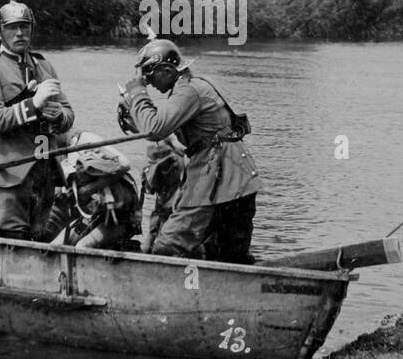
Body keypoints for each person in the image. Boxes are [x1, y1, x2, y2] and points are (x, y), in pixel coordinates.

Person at [118, 38, 258, 263]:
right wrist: (138, 110)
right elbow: (173, 135)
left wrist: (137, 93)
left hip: (218, 179)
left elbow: (154, 129)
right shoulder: (196, 84)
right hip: (238, 179)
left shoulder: (188, 91)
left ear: (166, 70)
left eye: (150, 75)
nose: (149, 82)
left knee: (168, 246)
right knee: (227, 255)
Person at [0, 0, 73, 240]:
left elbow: (69, 114)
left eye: (25, 27)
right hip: (9, 174)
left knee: (40, 240)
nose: (20, 33)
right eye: (12, 28)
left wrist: (57, 115)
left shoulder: (44, 65)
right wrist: (34, 105)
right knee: (12, 243)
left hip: (45, 171)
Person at [43, 132, 141, 250]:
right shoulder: (63, 153)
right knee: (54, 246)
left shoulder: (85, 140)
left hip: (117, 219)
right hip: (92, 215)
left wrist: (91, 188)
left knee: (82, 246)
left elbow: (124, 163)